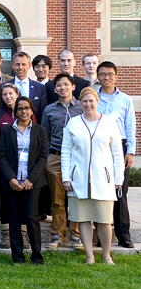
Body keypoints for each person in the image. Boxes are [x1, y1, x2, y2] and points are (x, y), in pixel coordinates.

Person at [61, 87, 124, 265]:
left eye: (91, 101)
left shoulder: (109, 123)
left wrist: (117, 179)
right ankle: (90, 256)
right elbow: (66, 152)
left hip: (103, 180)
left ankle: (106, 255)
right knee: (83, 218)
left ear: (97, 102)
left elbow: (117, 153)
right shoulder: (73, 123)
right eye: (84, 101)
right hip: (78, 180)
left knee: (104, 220)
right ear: (80, 103)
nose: (88, 104)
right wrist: (67, 176)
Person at [0, 96, 49, 265]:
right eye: (20, 108)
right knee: (14, 219)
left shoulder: (40, 131)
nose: (24, 111)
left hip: (32, 183)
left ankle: (37, 256)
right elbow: (2, 157)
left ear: (32, 111)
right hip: (12, 182)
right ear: (16, 112)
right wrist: (11, 178)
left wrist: (30, 179)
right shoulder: (7, 131)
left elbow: (43, 157)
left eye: (27, 108)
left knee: (31, 217)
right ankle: (17, 257)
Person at [96, 61, 136, 248]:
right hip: (98, 147)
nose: (106, 78)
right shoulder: (92, 97)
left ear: (116, 76)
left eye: (110, 74)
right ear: (97, 77)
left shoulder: (125, 99)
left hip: (119, 147)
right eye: (103, 74)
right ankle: (101, 234)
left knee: (120, 191)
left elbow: (131, 127)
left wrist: (130, 151)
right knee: (99, 190)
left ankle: (124, 234)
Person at [42, 73, 83, 249]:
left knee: (76, 197)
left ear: (73, 87)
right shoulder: (49, 109)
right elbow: (45, 135)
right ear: (55, 88)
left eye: (66, 84)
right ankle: (57, 234)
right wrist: (49, 156)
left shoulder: (82, 108)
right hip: (55, 157)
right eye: (59, 85)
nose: (63, 88)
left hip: (78, 159)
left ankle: (76, 235)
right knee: (57, 199)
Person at [0, 84, 21, 248]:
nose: (8, 97)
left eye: (11, 93)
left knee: (23, 202)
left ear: (17, 94)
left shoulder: (27, 111)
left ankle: (21, 235)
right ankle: (6, 235)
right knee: (6, 202)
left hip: (24, 166)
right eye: (4, 94)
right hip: (4, 166)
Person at [3, 52, 47, 123]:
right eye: (17, 64)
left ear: (29, 66)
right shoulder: (4, 87)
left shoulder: (40, 88)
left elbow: (42, 113)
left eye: (23, 64)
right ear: (13, 65)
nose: (20, 67)